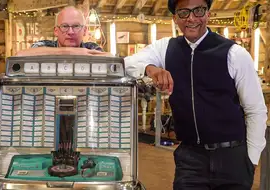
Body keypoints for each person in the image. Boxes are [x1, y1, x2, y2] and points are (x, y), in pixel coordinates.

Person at [125, 0, 267, 189]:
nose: (191, 18)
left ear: (208, 14)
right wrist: (150, 68)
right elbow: (125, 65)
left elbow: (255, 109)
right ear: (175, 18)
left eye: (198, 11)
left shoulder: (234, 53)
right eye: (184, 12)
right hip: (190, 159)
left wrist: (251, 159)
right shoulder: (165, 48)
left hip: (232, 156)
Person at [16, 6, 110, 56]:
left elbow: (109, 58)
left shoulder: (91, 47)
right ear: (56, 31)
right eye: (64, 26)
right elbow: (19, 55)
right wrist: (71, 52)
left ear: (85, 30)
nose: (70, 32)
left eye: (76, 26)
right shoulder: (42, 46)